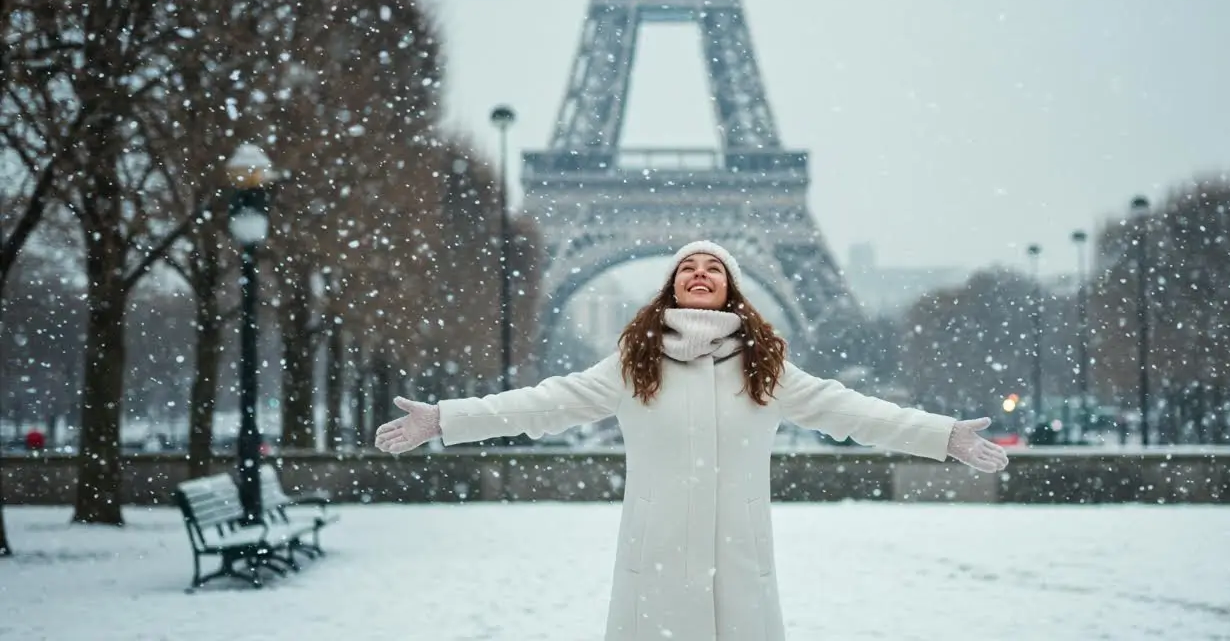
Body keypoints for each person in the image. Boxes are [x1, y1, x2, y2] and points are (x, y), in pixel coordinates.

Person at [375, 240, 1009, 640]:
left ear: (731, 289)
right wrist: (447, 419)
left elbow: (851, 411)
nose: (699, 273)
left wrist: (941, 435)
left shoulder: (766, 367)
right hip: (657, 560)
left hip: (739, 560)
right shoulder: (632, 363)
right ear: (672, 287)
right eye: (687, 267)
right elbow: (545, 404)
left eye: (714, 268)